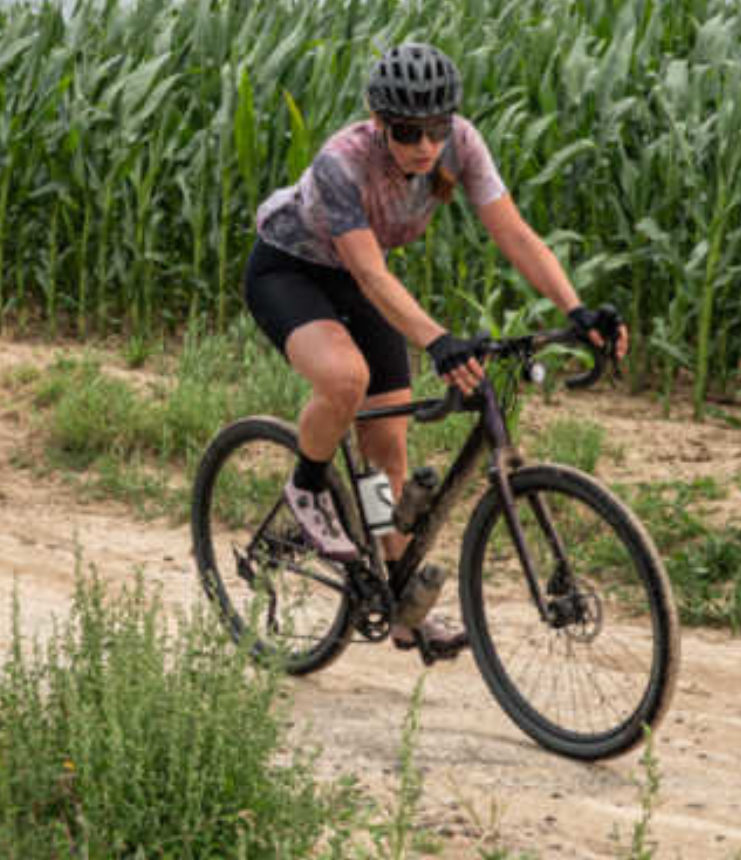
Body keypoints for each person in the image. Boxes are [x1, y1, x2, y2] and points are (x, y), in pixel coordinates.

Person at [244, 43, 627, 661]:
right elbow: (370, 275)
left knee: (388, 445)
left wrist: (575, 311)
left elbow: (515, 234)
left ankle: (401, 609)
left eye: (436, 128)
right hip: (290, 271)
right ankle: (307, 487)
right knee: (346, 380)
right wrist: (439, 342)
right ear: (378, 122)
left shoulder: (461, 146)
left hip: (359, 277)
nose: (425, 144)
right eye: (406, 131)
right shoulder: (342, 163)